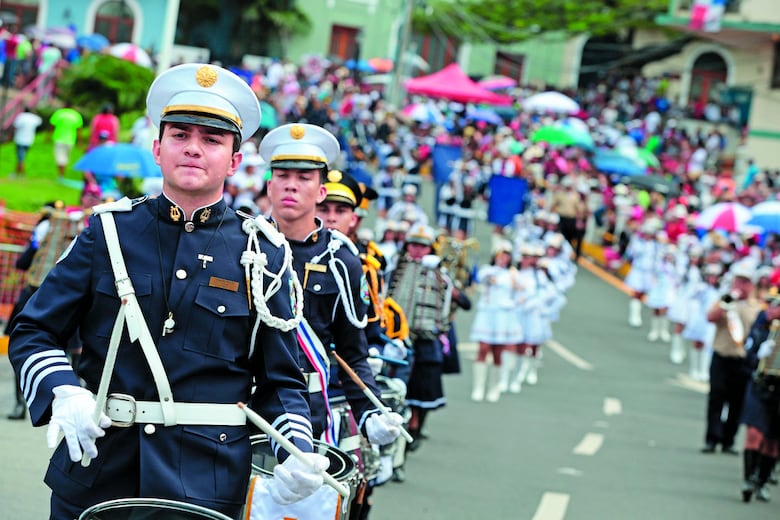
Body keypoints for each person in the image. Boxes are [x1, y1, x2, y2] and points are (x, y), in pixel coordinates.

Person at [8, 63, 324, 519]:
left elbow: (280, 379)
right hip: (98, 472)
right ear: (158, 148)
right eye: (180, 135)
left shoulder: (262, 253)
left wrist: (295, 447)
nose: (193, 149)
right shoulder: (107, 232)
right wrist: (62, 391)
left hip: (203, 486)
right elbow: (33, 330)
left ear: (235, 161)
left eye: (212, 140)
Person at [259, 123, 403, 447]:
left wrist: (370, 411)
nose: (291, 186)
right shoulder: (241, 245)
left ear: (320, 190)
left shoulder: (342, 261)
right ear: (269, 186)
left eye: (304, 177)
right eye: (282, 175)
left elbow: (353, 352)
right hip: (244, 412)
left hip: (309, 413)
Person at [701, 258, 763, 455]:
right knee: (716, 397)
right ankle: (712, 438)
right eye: (738, 280)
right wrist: (728, 302)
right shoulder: (725, 300)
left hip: (742, 361)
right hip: (721, 356)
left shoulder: (756, 308)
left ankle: (728, 440)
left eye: (745, 282)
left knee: (737, 403)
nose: (741, 285)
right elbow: (710, 317)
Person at [739, 287, 780, 502]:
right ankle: (748, 479)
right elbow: (746, 358)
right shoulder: (761, 329)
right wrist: (758, 356)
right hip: (760, 386)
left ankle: (762, 481)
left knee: (773, 442)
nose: (773, 309)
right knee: (754, 434)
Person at [49, 103, 83, 178]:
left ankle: (60, 174)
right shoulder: (76, 115)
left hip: (58, 138)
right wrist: (80, 141)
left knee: (59, 157)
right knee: (65, 158)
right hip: (71, 140)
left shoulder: (59, 113)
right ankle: (62, 174)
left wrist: (48, 136)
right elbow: (79, 129)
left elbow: (52, 125)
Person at [11, 105, 42, 177]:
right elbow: (39, 122)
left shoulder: (21, 116)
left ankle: (21, 173)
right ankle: (16, 173)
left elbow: (15, 126)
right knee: (21, 157)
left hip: (20, 139)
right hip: (29, 140)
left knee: (20, 157)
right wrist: (35, 113)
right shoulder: (34, 117)